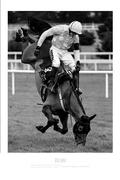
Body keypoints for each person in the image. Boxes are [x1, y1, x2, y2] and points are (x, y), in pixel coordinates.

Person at [34, 21, 82, 94]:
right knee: (56, 63)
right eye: (73, 33)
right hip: (55, 49)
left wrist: (78, 61)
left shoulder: (76, 37)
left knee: (75, 68)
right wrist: (38, 46)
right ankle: (50, 83)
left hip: (65, 52)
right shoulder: (60, 29)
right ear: (69, 29)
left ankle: (76, 88)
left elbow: (76, 49)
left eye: (76, 34)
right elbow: (45, 34)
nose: (74, 35)